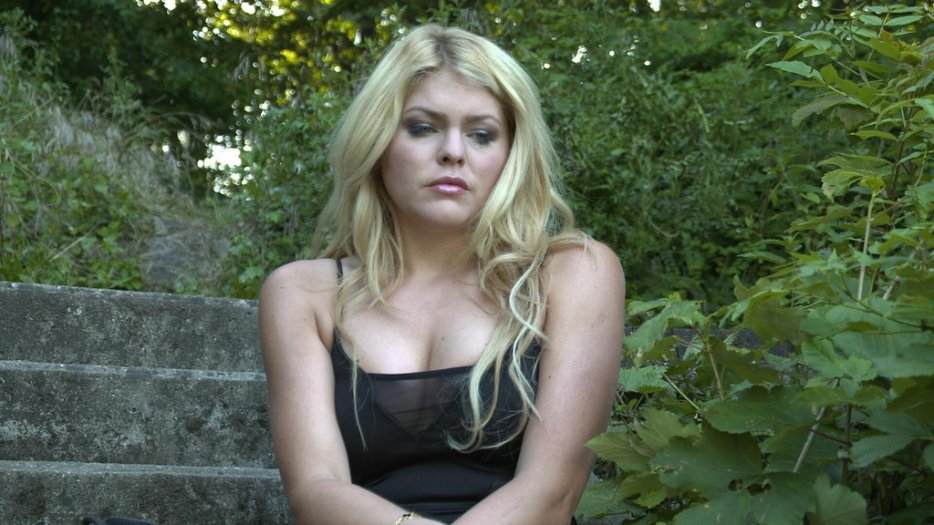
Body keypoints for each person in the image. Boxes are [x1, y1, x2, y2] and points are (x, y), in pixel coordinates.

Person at [259, 24, 625, 525]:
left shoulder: (572, 273)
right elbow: (315, 490)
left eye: (482, 134)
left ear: (511, 155)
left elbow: (552, 490)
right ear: (378, 141)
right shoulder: (304, 294)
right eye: (422, 127)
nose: (453, 151)